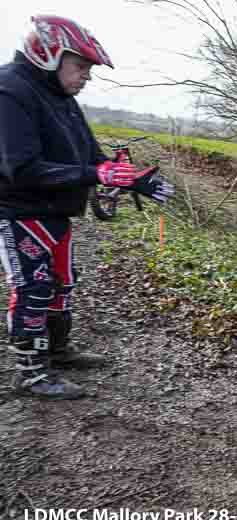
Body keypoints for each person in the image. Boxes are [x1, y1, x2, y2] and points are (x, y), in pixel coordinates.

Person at [0, 15, 175, 399]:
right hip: (17, 211)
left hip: (54, 211)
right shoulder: (10, 90)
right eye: (81, 66)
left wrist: (130, 178)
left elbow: (90, 154)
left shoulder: (60, 97)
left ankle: (58, 352)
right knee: (33, 287)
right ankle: (30, 373)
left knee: (63, 282)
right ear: (49, 54)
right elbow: (22, 168)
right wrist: (97, 175)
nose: (87, 76)